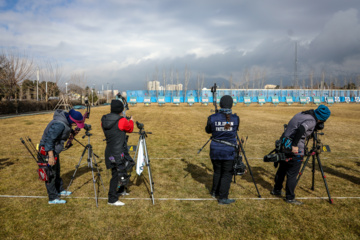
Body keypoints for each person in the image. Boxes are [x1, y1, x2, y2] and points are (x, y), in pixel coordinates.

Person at [271, 104, 331, 205]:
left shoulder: (303, 114)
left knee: (282, 169)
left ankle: (276, 190)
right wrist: (295, 145)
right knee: (292, 174)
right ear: (322, 119)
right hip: (294, 148)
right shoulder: (312, 120)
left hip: (284, 145)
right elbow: (301, 129)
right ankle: (290, 198)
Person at [39, 109, 85, 204]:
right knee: (50, 174)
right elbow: (49, 141)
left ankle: (59, 190)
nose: (76, 125)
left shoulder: (65, 121)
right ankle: (53, 198)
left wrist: (72, 132)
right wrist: (51, 156)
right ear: (72, 120)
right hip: (47, 151)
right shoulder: (59, 124)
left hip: (54, 150)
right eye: (75, 123)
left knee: (57, 171)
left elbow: (65, 130)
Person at [205, 95, 239, 205]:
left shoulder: (212, 117)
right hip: (228, 151)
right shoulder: (235, 118)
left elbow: (208, 130)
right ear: (231, 105)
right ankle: (223, 197)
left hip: (215, 150)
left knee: (217, 171)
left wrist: (214, 118)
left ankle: (214, 192)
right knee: (227, 174)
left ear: (220, 104)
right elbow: (233, 129)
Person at [101, 100, 135, 206]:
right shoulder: (122, 120)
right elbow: (129, 129)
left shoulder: (104, 120)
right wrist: (132, 121)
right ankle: (112, 199)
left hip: (110, 151)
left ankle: (120, 190)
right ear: (121, 110)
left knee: (120, 172)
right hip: (118, 152)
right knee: (116, 175)